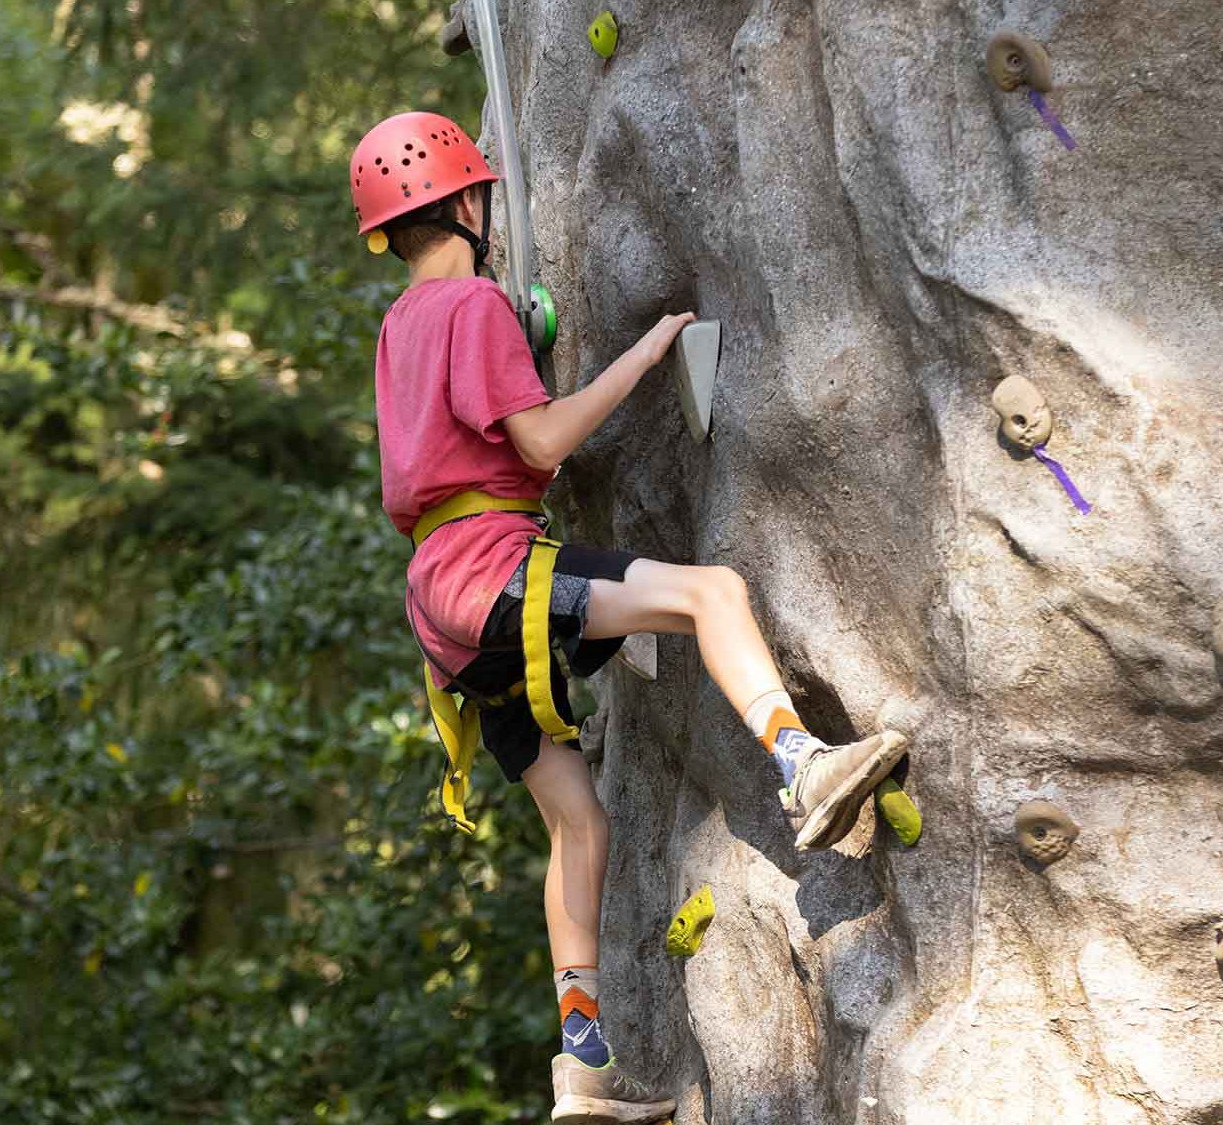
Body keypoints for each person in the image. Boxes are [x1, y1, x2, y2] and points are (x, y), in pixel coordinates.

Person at [351, 111, 907, 1125]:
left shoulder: (400, 326)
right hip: (493, 569)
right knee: (710, 595)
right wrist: (646, 352)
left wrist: (523, 335)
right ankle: (801, 764)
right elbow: (544, 440)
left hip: (440, 611)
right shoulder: (472, 305)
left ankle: (579, 1067)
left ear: (389, 230)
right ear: (471, 202)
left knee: (578, 823)